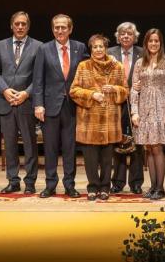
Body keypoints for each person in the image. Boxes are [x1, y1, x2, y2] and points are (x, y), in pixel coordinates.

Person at [33, 14, 87, 198]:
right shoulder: (43, 49)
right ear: (52, 29)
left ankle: (70, 185)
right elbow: (38, 79)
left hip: (73, 106)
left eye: (63, 27)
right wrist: (38, 104)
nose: (60, 30)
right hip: (50, 106)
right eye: (56, 27)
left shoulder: (80, 48)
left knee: (70, 148)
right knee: (50, 148)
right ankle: (50, 185)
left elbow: (87, 75)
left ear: (70, 29)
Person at [70, 34, 129, 200]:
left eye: (101, 47)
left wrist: (115, 90)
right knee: (90, 159)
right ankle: (92, 187)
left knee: (106, 159)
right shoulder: (84, 66)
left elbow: (126, 91)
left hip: (110, 121)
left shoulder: (117, 66)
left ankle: (105, 187)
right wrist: (92, 95)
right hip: (89, 121)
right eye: (94, 47)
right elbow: (73, 91)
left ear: (106, 48)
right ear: (91, 49)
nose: (98, 50)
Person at [0, 11, 42, 194]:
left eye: (23, 24)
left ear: (28, 26)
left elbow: (39, 76)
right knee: (10, 145)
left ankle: (30, 182)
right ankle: (13, 181)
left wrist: (26, 94)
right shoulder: (0, 45)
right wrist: (5, 90)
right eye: (17, 24)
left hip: (26, 102)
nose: (20, 27)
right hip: (6, 102)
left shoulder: (38, 46)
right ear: (11, 25)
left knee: (30, 144)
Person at [129, 29, 165, 200]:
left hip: (161, 106)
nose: (154, 44)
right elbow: (134, 90)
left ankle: (160, 187)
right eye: (151, 41)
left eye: (156, 41)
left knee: (157, 147)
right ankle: (152, 186)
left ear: (160, 43)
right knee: (148, 148)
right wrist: (134, 112)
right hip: (144, 109)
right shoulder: (139, 63)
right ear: (146, 43)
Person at [109, 22, 145, 194]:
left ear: (134, 36)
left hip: (138, 103)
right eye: (122, 33)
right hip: (116, 103)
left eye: (129, 34)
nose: (125, 36)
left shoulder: (143, 53)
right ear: (118, 36)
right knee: (118, 141)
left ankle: (136, 182)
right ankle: (117, 181)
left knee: (137, 143)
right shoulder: (110, 53)